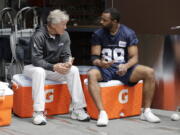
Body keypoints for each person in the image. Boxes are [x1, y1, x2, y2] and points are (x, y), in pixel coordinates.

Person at [87, 8, 161, 126]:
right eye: (101, 19)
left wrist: (126, 66)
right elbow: (94, 57)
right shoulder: (98, 34)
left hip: (124, 69)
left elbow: (134, 58)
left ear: (115, 21)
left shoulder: (128, 33)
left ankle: (146, 112)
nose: (101, 22)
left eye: (104, 20)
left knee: (149, 72)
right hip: (105, 68)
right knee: (91, 74)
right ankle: (102, 112)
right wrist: (101, 63)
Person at [23, 9, 90, 125]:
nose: (66, 27)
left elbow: (66, 54)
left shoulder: (64, 35)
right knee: (39, 71)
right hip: (32, 67)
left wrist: (67, 62)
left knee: (73, 70)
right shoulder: (39, 35)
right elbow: (36, 60)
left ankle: (78, 109)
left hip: (51, 68)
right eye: (63, 24)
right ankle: (38, 112)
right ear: (53, 25)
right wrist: (54, 67)